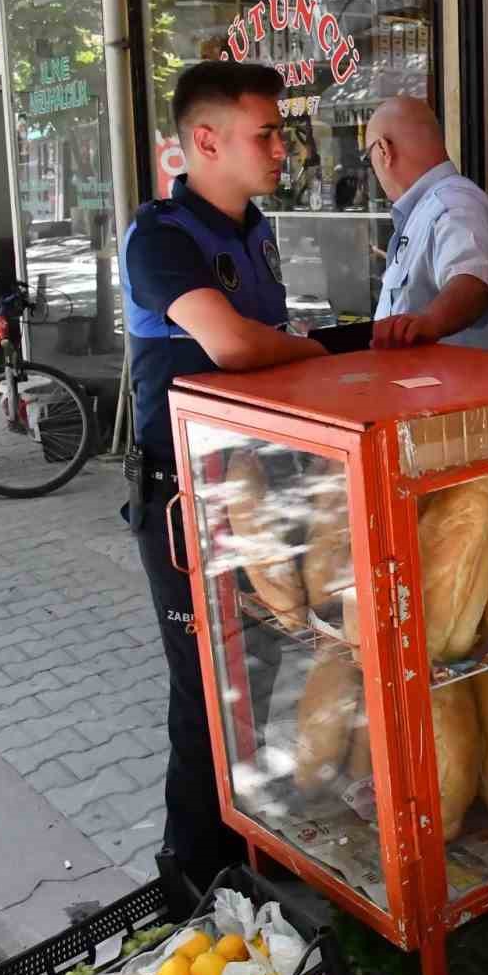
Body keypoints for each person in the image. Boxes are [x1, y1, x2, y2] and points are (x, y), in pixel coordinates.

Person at [120, 60, 327, 887]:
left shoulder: (255, 227)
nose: (284, 148)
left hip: (258, 491)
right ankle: (190, 878)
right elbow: (235, 345)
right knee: (207, 699)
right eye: (267, 133)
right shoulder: (162, 237)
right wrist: (312, 349)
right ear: (205, 141)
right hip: (185, 505)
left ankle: (247, 859)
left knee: (255, 682)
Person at [363, 97, 488, 352]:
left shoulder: (451, 205)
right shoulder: (430, 208)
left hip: (467, 388)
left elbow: (472, 281)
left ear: (384, 150)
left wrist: (430, 322)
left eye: (369, 157)